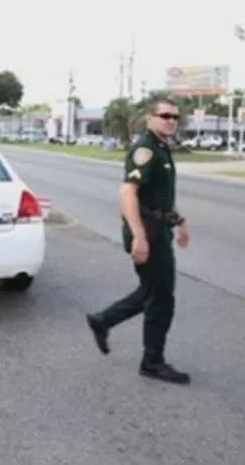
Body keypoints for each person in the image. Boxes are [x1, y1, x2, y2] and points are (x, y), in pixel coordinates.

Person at [85, 98, 192, 385]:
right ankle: (152, 361)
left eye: (175, 117)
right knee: (161, 298)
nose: (171, 121)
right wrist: (140, 238)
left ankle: (103, 320)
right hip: (147, 233)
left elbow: (158, 198)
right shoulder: (145, 149)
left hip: (158, 229)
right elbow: (127, 193)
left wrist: (179, 221)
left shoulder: (161, 148)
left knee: (152, 292)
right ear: (150, 118)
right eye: (165, 115)